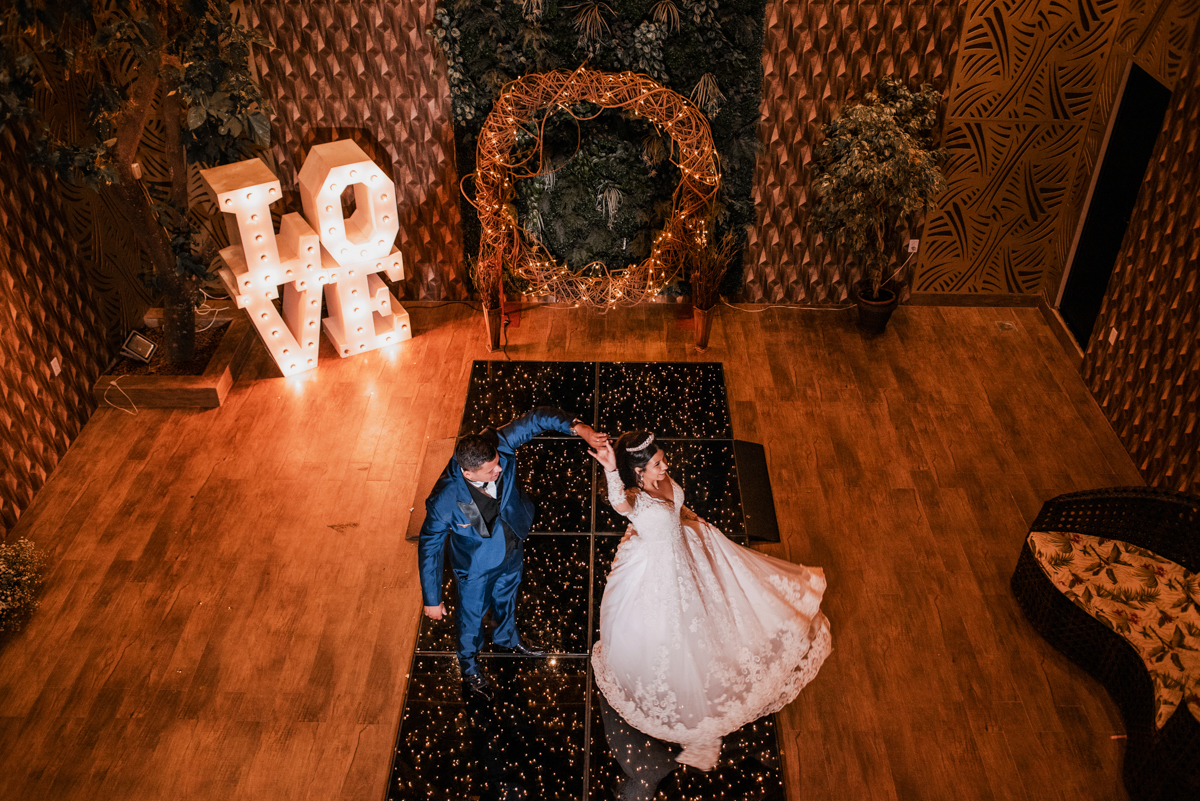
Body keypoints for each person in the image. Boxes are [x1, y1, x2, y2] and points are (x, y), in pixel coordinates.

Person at [589, 430, 832, 771]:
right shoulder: (635, 499)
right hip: (660, 568)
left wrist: (690, 518)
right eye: (657, 464)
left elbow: (676, 503)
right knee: (679, 631)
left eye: (662, 460)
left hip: (685, 548)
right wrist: (611, 471)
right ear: (640, 472)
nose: (665, 466)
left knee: (721, 604)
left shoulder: (661, 477)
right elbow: (618, 504)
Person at [419, 407, 606, 699]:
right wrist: (431, 599)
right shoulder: (444, 499)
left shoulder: (498, 443)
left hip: (512, 546)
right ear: (467, 473)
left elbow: (537, 419)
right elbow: (429, 544)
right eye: (491, 470)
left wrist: (579, 428)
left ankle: (507, 637)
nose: (499, 470)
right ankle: (469, 668)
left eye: (498, 463)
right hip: (476, 569)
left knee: (508, 596)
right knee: (470, 621)